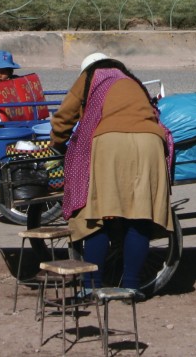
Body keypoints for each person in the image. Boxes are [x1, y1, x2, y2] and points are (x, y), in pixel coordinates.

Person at [51, 54, 173, 296]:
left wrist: (58, 143)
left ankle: (91, 286)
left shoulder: (90, 77)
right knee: (139, 217)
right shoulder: (131, 81)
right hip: (150, 145)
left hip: (110, 146)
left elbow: (64, 117)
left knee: (97, 216)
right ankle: (131, 285)